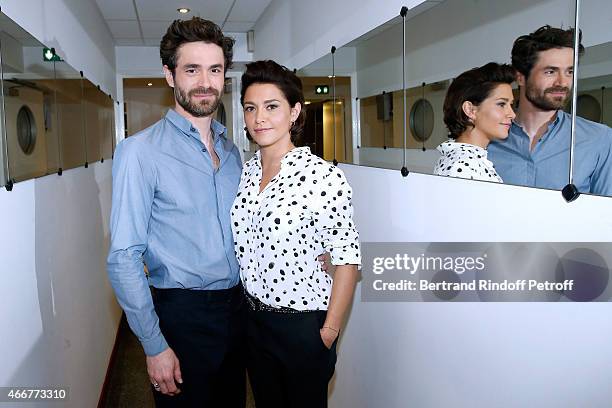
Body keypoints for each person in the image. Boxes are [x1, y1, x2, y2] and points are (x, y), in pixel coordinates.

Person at [107, 17, 246, 407]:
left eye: (215, 69)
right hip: (181, 317)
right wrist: (154, 345)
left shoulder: (234, 153)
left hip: (236, 313)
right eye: (192, 69)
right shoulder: (140, 152)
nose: (205, 81)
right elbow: (123, 257)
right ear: (169, 75)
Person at [231, 60, 361, 408]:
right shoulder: (246, 173)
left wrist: (329, 333)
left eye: (272, 107)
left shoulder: (323, 177)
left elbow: (348, 260)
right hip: (254, 323)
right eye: (251, 108)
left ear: (294, 112)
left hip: (302, 328)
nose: (259, 118)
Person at [488, 25, 612, 195]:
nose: (562, 82)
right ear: (521, 77)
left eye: (569, 72)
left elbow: (605, 215)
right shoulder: (487, 138)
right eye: (550, 71)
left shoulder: (599, 139)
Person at [433, 62, 516, 182]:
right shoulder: (461, 167)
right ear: (470, 110)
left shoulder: (470, 161)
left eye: (511, 104)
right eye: (501, 104)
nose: (512, 114)